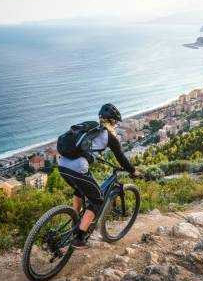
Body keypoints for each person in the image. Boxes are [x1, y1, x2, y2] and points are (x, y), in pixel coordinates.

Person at [58, 103, 141, 250]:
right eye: (116, 122)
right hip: (77, 168)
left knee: (79, 190)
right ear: (113, 121)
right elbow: (121, 158)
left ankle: (75, 221)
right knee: (97, 200)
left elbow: (86, 150)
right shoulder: (110, 137)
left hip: (62, 165)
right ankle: (79, 238)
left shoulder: (90, 128)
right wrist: (133, 171)